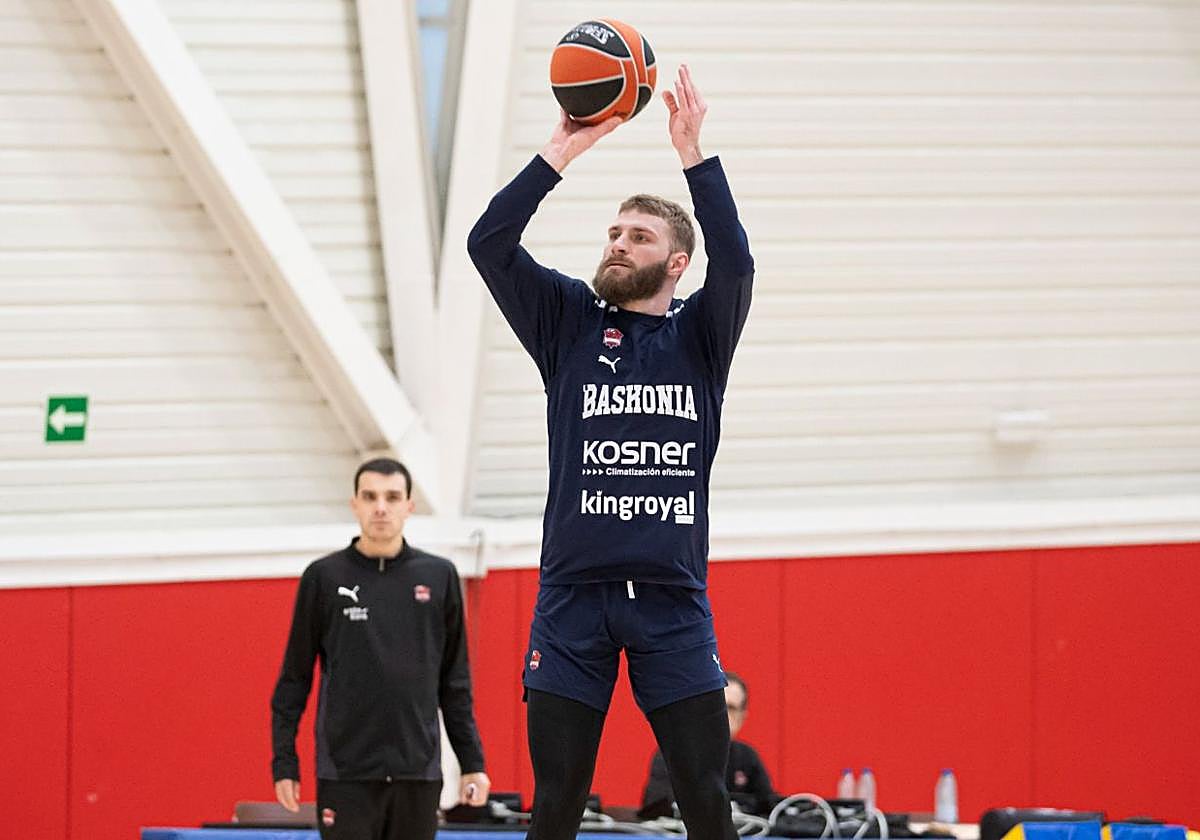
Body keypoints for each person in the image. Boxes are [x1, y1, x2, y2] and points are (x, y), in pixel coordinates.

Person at [467, 65, 753, 840]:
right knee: (556, 804)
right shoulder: (566, 322)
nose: (619, 244)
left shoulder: (699, 336)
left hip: (670, 599)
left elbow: (738, 264)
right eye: (614, 233)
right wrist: (560, 151)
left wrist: (694, 156)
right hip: (573, 599)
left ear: (675, 262)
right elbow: (488, 243)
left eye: (640, 237)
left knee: (704, 799)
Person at [270, 457, 491, 840]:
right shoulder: (323, 578)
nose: (381, 507)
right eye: (369, 496)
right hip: (346, 774)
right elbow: (294, 680)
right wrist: (284, 763)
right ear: (354, 504)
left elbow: (455, 683)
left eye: (392, 497)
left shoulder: (438, 577)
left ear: (409, 506)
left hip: (417, 774)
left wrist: (472, 763)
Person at [641, 671, 779, 818]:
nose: (723, 715)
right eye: (717, 707)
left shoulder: (747, 756)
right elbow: (657, 805)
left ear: (742, 717)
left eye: (731, 708)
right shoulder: (674, 752)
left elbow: (769, 806)